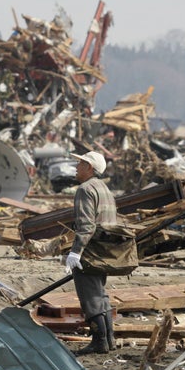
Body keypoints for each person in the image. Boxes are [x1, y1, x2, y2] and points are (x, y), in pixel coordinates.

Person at [64, 151, 117, 354]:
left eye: (80, 163)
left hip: (90, 251)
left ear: (90, 168)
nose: (76, 166)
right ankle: (109, 340)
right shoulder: (104, 189)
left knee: (90, 297)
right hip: (105, 250)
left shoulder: (85, 189)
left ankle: (99, 342)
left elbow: (86, 226)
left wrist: (76, 252)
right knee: (101, 295)